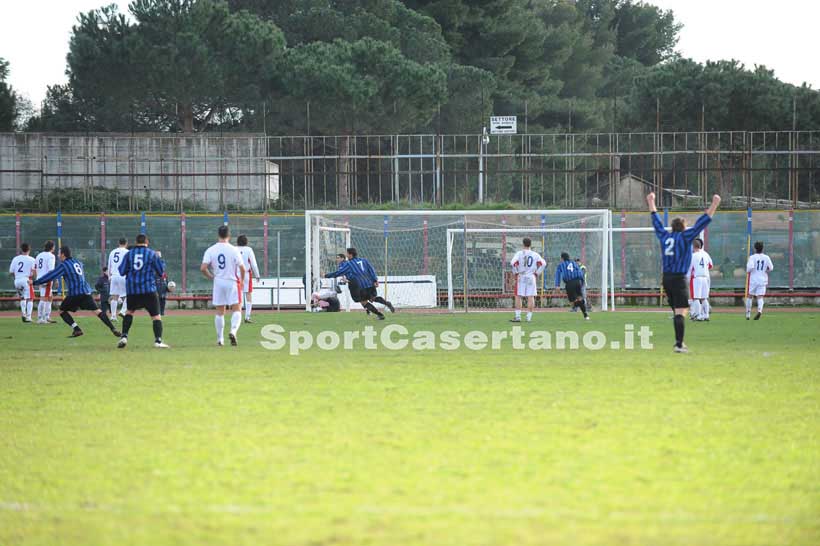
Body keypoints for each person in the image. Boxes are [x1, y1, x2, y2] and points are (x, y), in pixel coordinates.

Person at [647, 191, 721, 353]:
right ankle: (679, 344)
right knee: (681, 312)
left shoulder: (664, 236)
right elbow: (702, 222)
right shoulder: (686, 236)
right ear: (684, 228)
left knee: (677, 311)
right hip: (679, 278)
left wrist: (651, 202)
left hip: (666, 279)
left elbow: (656, 222)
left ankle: (679, 342)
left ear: (672, 228)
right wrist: (714, 204)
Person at [32, 246, 121, 338]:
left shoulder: (64, 265)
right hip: (85, 291)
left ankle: (76, 329)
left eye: (59, 253)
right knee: (97, 311)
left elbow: (51, 275)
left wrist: (35, 282)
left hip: (74, 293)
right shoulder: (77, 262)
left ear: (63, 254)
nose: (58, 255)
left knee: (61, 311)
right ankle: (113, 328)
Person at [116, 234, 168, 349]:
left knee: (129, 312)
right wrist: (160, 260)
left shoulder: (129, 254)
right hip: (148, 289)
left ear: (136, 242)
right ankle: (158, 341)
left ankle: (124, 337)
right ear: (147, 242)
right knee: (156, 316)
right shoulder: (152, 254)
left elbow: (121, 271)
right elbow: (161, 272)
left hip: (132, 289)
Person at [201, 225, 246, 346]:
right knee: (237, 309)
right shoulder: (233, 249)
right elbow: (242, 268)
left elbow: (203, 268)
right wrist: (242, 281)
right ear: (229, 235)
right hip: (232, 282)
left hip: (218, 282)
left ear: (218, 235)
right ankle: (233, 331)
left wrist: (212, 277)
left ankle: (220, 339)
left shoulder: (211, 250)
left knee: (220, 312)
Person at [325, 247, 394, 320]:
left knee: (364, 302)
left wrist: (326, 275)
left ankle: (380, 315)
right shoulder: (364, 260)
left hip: (360, 286)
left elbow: (338, 273)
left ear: (350, 254)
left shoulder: (349, 264)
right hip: (370, 283)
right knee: (373, 298)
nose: (346, 255)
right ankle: (386, 303)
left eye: (347, 254)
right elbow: (371, 270)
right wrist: (375, 280)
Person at [509, 237, 545, 323]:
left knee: (518, 296)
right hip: (531, 276)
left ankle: (518, 317)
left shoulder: (519, 253)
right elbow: (543, 264)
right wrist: (537, 273)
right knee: (530, 296)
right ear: (530, 244)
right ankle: (528, 317)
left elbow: (512, 263)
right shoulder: (535, 254)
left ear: (523, 244)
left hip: (521, 276)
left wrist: (516, 272)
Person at [553, 252, 589, 320]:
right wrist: (582, 282)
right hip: (578, 282)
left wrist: (557, 285)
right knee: (580, 298)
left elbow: (558, 275)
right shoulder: (574, 263)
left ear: (562, 258)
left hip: (569, 283)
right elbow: (579, 272)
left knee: (572, 302)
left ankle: (580, 304)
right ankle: (586, 315)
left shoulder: (561, 265)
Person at [745, 241, 773, 320]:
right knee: (760, 297)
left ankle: (748, 314)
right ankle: (760, 311)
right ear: (762, 248)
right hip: (763, 279)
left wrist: (749, 270)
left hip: (754, 280)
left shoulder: (752, 257)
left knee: (750, 296)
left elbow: (749, 268)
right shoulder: (766, 257)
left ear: (755, 248)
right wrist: (765, 269)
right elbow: (771, 268)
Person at [9, 243, 36, 323]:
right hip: (26, 280)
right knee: (30, 298)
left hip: (17, 280)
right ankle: (28, 317)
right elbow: (34, 271)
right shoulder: (32, 259)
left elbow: (11, 272)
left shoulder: (15, 259)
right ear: (29, 250)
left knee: (22, 298)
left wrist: (17, 276)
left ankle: (23, 314)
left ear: (21, 250)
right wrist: (35, 279)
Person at [236, 235, 260, 323]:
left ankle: (237, 317)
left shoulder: (234, 249)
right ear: (246, 242)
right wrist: (257, 275)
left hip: (236, 274)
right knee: (248, 294)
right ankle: (247, 317)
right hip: (246, 274)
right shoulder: (249, 250)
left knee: (238, 296)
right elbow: (253, 263)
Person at [689, 239, 713, 321]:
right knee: (704, 298)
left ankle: (698, 315)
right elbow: (711, 265)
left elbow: (690, 268)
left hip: (697, 278)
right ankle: (706, 315)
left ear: (693, 247)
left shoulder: (693, 255)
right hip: (705, 278)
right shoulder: (705, 254)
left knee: (696, 298)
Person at [35, 240, 57, 323]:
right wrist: (55, 279)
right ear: (52, 247)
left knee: (49, 297)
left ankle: (47, 316)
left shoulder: (39, 255)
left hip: (40, 278)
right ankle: (40, 318)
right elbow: (51, 270)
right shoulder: (51, 256)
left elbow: (36, 267)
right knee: (44, 298)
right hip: (47, 279)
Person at [107, 238, 129, 321]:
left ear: (118, 243)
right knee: (129, 295)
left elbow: (109, 265)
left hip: (114, 276)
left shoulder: (112, 252)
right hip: (123, 276)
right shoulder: (127, 252)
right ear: (126, 243)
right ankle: (123, 311)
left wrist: (109, 276)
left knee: (114, 296)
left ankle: (113, 316)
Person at [155, 250, 168, 316]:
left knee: (163, 299)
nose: (158, 255)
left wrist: (167, 286)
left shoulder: (162, 262)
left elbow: (163, 268)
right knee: (157, 299)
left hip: (162, 283)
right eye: (157, 254)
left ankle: (162, 312)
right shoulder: (153, 262)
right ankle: (158, 312)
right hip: (156, 282)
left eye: (159, 254)